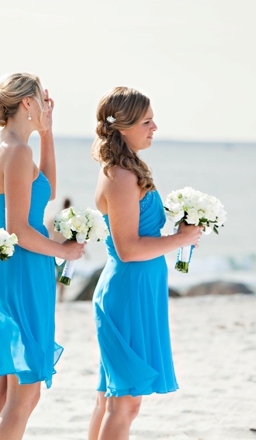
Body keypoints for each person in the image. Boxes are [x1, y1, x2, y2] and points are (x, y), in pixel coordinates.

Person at [0, 73, 86, 440]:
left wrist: (47, 132)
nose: (46, 107)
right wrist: (64, 251)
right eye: (42, 100)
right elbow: (19, 228)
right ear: (27, 104)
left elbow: (46, 193)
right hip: (25, 270)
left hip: (3, 271)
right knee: (26, 391)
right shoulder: (17, 152)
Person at [87, 87, 202, 440]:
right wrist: (182, 239)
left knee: (112, 396)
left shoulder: (129, 169)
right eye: (147, 121)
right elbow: (128, 249)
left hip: (141, 287)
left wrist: (179, 227)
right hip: (129, 289)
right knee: (125, 401)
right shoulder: (121, 176)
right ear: (122, 127)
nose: (154, 127)